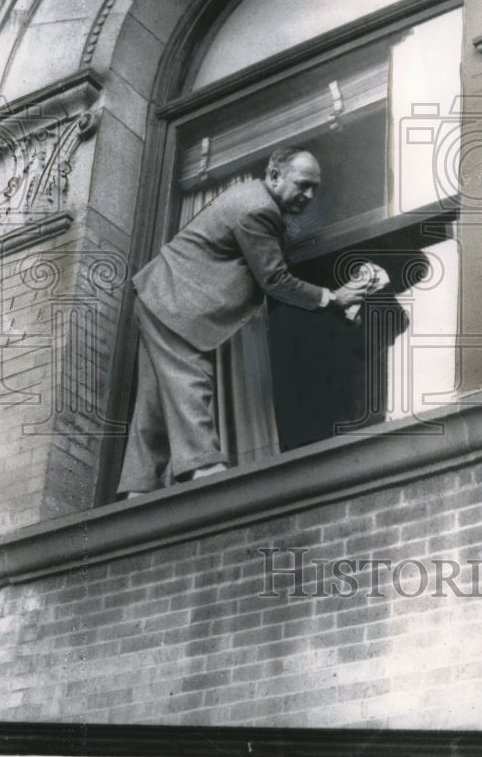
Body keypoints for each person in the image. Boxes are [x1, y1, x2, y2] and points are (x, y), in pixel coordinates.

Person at [116, 147, 368, 498]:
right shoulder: (258, 209)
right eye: (303, 185)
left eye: (315, 188)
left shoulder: (254, 199)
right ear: (275, 175)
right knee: (189, 378)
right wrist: (332, 298)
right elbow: (276, 281)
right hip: (175, 301)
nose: (309, 196)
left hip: (162, 295)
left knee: (156, 399)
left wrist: (329, 298)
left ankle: (138, 489)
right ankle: (203, 467)